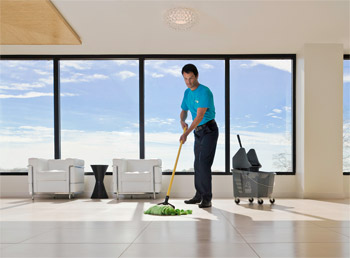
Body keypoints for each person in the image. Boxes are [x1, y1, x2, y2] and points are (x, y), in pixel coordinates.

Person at [179, 64, 219, 208]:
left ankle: (207, 198)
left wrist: (186, 133)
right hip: (198, 132)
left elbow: (200, 116)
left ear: (196, 76)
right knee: (197, 164)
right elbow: (184, 110)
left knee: (204, 164)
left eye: (190, 78)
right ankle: (199, 195)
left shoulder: (204, 92)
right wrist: (182, 120)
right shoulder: (187, 92)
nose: (188, 82)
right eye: (185, 79)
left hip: (209, 130)